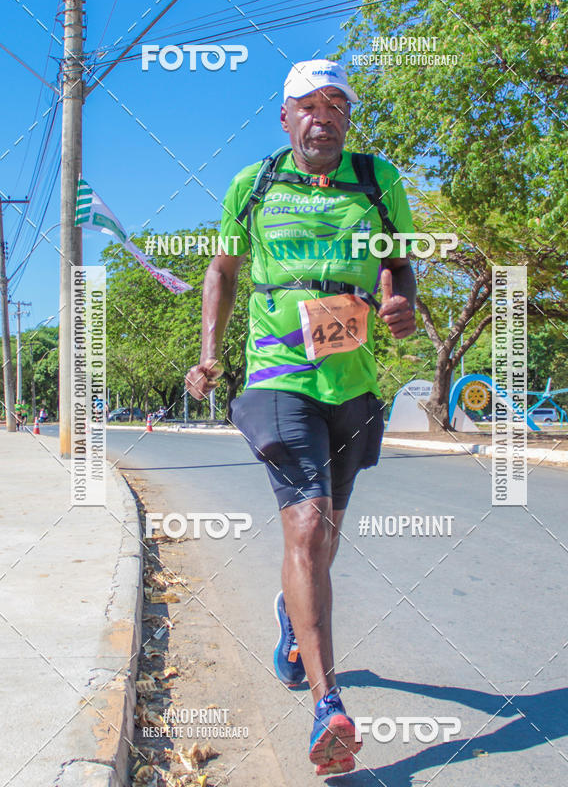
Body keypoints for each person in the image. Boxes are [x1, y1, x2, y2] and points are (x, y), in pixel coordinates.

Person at [185, 59, 417, 776]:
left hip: (351, 380)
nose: (321, 118)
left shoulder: (378, 182)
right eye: (306, 107)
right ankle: (329, 703)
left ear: (347, 118)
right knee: (307, 522)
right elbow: (222, 271)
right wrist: (209, 356)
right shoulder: (252, 185)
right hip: (276, 377)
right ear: (284, 118)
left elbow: (399, 263)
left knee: (326, 538)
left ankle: (294, 623)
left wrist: (398, 300)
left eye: (334, 106)